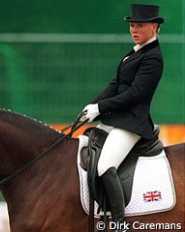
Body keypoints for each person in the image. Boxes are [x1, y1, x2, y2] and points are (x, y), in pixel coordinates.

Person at [80, 3, 165, 231]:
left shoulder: (153, 58)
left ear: (154, 27)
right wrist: (93, 105)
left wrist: (101, 108)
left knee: (105, 166)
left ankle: (119, 223)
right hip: (116, 120)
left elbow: (135, 94)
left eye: (140, 26)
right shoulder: (135, 52)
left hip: (132, 123)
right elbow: (115, 84)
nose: (134, 30)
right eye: (132, 26)